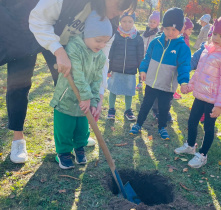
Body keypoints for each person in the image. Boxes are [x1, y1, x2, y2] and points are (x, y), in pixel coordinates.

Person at [2, 0, 137, 164]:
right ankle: (18, 139)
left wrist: (99, 95)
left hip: (64, 39)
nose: (119, 13)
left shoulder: (110, 21)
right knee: (19, 84)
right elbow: (37, 19)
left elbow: (101, 60)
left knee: (71, 86)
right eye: (119, 7)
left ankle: (75, 135)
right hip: (27, 28)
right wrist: (58, 51)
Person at [174, 11, 221, 168]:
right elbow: (199, 72)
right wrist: (190, 86)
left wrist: (220, 105)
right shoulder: (207, 49)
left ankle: (202, 154)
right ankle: (190, 145)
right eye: (215, 34)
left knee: (208, 127)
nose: (216, 38)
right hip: (200, 95)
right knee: (192, 121)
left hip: (213, 100)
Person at [50, 11, 112, 169]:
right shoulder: (74, 47)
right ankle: (63, 153)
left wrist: (94, 99)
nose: (102, 45)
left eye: (105, 42)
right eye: (98, 41)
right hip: (67, 97)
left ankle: (79, 148)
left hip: (86, 99)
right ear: (87, 34)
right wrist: (86, 97)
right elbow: (77, 74)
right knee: (65, 127)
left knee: (82, 127)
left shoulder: (100, 56)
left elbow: (97, 78)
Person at [129, 8, 191, 140]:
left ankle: (162, 127)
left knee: (164, 108)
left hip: (167, 86)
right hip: (152, 82)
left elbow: (184, 66)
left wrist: (184, 81)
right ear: (163, 27)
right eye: (167, 28)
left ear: (180, 30)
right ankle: (138, 124)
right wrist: (143, 70)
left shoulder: (182, 47)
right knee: (146, 104)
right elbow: (147, 58)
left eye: (174, 30)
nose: (170, 32)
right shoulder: (155, 42)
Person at [107, 12, 144, 121]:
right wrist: (108, 68)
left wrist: (141, 71)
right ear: (120, 21)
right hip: (116, 69)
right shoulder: (115, 36)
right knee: (113, 89)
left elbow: (140, 56)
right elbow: (110, 53)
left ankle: (128, 110)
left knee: (129, 91)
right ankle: (111, 109)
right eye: (124, 21)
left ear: (133, 22)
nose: (127, 24)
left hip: (130, 70)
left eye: (130, 21)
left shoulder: (137, 38)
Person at [136, 11, 160, 90]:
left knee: (150, 70)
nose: (152, 23)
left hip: (152, 55)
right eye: (150, 21)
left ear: (158, 23)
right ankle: (140, 83)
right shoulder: (145, 32)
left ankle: (148, 84)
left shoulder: (158, 33)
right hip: (143, 54)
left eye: (154, 22)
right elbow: (141, 41)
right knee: (141, 68)